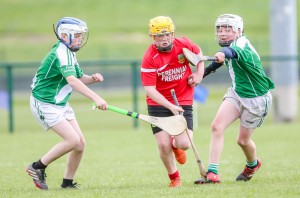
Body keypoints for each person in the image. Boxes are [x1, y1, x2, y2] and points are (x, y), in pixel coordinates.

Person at [26, 17, 108, 190]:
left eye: (80, 35)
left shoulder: (70, 52)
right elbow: (72, 81)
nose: (80, 39)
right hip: (45, 102)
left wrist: (92, 79)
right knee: (72, 140)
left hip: (60, 103)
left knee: (80, 144)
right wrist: (96, 98)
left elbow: (78, 77)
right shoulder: (61, 53)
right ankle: (37, 167)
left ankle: (67, 183)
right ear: (64, 35)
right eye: (77, 35)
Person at [194, 14, 275, 184]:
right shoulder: (230, 46)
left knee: (243, 141)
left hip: (257, 99)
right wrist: (203, 74)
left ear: (238, 31)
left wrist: (221, 53)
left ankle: (252, 165)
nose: (223, 33)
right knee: (217, 126)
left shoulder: (240, 44)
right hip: (237, 93)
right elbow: (222, 59)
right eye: (220, 30)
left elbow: (228, 53)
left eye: (227, 30)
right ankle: (212, 173)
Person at [140, 16, 205, 187]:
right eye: (159, 36)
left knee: (184, 144)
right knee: (162, 145)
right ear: (151, 37)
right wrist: (170, 106)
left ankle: (176, 146)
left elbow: (199, 56)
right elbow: (150, 89)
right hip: (158, 104)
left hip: (183, 98)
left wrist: (198, 75)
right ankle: (174, 177)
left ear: (173, 33)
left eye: (167, 35)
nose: (164, 39)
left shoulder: (183, 44)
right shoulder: (149, 57)